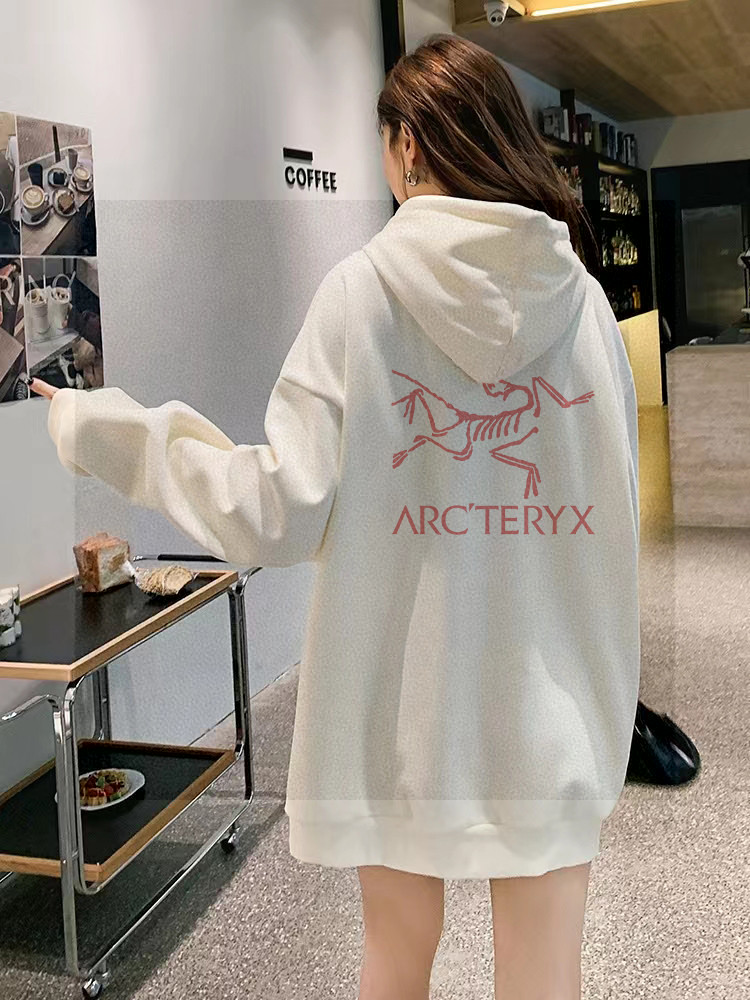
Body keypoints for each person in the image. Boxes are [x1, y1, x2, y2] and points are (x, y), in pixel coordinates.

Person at [33, 33, 640, 1000]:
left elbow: (274, 510)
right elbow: (612, 515)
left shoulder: (362, 296)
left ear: (407, 146)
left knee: (395, 962)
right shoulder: (584, 306)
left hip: (401, 715)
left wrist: (113, 433)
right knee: (544, 976)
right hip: (553, 709)